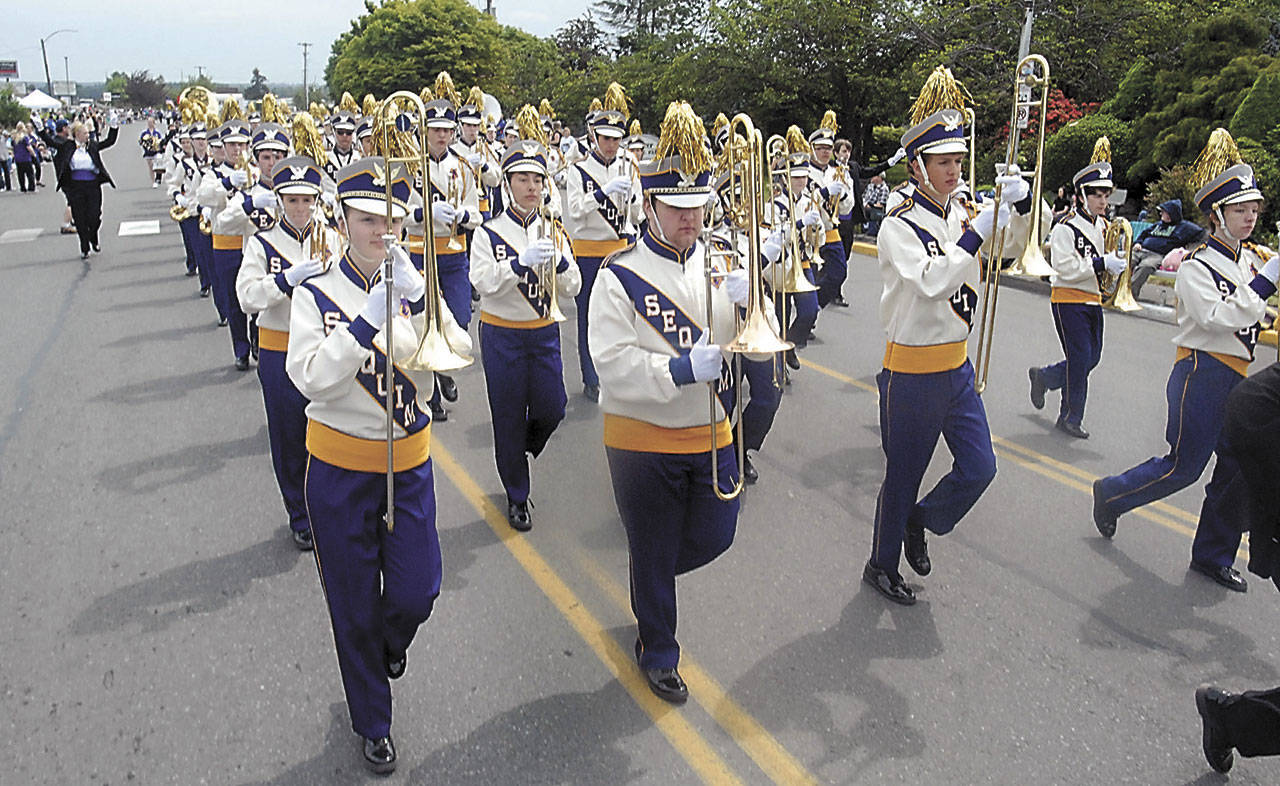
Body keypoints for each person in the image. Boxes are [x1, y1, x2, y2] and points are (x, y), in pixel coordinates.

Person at [286, 156, 470, 774]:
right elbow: (310, 378)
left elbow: (455, 353)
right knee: (353, 603)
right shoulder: (315, 294)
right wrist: (366, 320)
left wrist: (424, 305)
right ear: (344, 220)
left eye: (391, 221)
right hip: (339, 469)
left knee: (418, 590)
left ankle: (388, 646)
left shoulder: (418, 285)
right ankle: (373, 720)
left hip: (409, 464)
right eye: (367, 220)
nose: (381, 233)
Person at [587, 101, 755, 704]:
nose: (691, 219)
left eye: (697, 207)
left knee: (718, 533)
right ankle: (658, 647)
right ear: (651, 207)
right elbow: (611, 366)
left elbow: (748, 341)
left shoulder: (720, 262)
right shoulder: (618, 275)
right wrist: (680, 368)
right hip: (642, 439)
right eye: (678, 209)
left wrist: (750, 297)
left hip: (710, 431)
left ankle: (648, 580)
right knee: (655, 546)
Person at [1093, 130, 1279, 596]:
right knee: (1184, 466)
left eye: (1254, 210)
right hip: (1202, 371)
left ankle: (1212, 555)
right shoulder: (1198, 265)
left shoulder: (1249, 262)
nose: (1250, 218)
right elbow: (1216, 318)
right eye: (1239, 211)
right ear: (1217, 216)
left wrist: (1261, 293)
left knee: (1237, 468)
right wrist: (1261, 291)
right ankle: (1111, 495)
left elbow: (1256, 314)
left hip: (1237, 376)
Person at [865, 69, 1024, 605]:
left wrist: (1018, 208)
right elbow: (934, 281)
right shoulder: (898, 223)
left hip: (955, 368)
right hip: (910, 369)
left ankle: (922, 521)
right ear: (917, 167)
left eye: (958, 161)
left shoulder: (963, 212)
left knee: (981, 467)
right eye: (942, 163)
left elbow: (1007, 251)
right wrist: (977, 231)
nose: (954, 171)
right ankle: (881, 564)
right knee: (903, 475)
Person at [469, 140, 581, 530]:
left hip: (544, 332)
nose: (531, 186)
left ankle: (520, 450)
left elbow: (573, 287)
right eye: (522, 179)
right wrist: (518, 264)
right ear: (508, 184)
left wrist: (563, 260)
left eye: (537, 179)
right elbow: (481, 282)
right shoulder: (488, 233)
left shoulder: (554, 230)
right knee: (508, 416)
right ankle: (517, 494)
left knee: (554, 406)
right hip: (502, 334)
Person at [237, 156, 334, 550]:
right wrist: (285, 280)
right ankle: (299, 513)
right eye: (292, 200)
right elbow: (246, 296)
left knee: (328, 430)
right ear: (279, 201)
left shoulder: (332, 239)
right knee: (288, 435)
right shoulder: (262, 243)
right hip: (279, 346)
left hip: (325, 348)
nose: (300, 208)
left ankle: (328, 506)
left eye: (307, 200)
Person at [1027, 140, 1128, 438]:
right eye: (1096, 194)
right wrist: (1101, 263)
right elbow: (1065, 269)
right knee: (1081, 358)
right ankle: (1070, 417)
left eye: (1105, 195)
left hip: (1093, 300)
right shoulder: (1065, 228)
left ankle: (1044, 377)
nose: (1102, 201)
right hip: (1068, 300)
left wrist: (1115, 265)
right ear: (1080, 195)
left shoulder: (1103, 227)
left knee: (1090, 358)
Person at [401, 96, 482, 421]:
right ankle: (433, 392)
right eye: (435, 129)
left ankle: (445, 368)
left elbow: (476, 213)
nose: (442, 136)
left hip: (453, 254)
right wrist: (424, 212)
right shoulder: (409, 167)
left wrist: (463, 213)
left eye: (447, 130)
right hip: (421, 253)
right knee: (423, 325)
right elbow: (397, 212)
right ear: (424, 130)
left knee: (460, 318)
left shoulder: (461, 168)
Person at [564, 86, 642, 403]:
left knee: (626, 315)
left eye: (615, 139)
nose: (611, 145)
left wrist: (633, 197)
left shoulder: (629, 167)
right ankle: (590, 376)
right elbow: (575, 210)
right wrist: (603, 192)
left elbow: (637, 214)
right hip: (588, 253)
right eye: (605, 138)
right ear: (595, 136)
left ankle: (623, 372)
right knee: (588, 316)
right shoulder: (578, 171)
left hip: (621, 250)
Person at [197, 119, 255, 367]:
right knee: (233, 300)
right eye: (231, 145)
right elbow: (203, 196)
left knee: (258, 299)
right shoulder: (214, 174)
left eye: (241, 144)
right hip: (226, 244)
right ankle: (241, 349)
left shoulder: (257, 170)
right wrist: (227, 184)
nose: (236, 150)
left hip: (252, 243)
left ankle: (259, 345)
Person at [52, 119, 119, 259]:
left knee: (94, 216)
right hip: (76, 185)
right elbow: (50, 142)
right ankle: (84, 247)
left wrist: (114, 126)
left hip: (92, 185)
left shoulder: (92, 146)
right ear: (76, 134)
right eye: (84, 133)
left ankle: (93, 237)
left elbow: (109, 142)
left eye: (88, 133)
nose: (87, 136)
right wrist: (40, 130)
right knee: (80, 218)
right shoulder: (68, 146)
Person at [1129, 199, 1204, 298]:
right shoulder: (1157, 225)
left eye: (1163, 212)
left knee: (1145, 267)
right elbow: (1143, 234)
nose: (1161, 214)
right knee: (1127, 262)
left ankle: (1130, 295)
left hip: (1157, 255)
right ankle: (1115, 292)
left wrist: (1190, 250)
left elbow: (1202, 234)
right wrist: (1138, 243)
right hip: (1141, 250)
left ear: (1171, 214)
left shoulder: (1184, 227)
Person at [139, 117, 164, 187]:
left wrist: (159, 147)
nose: (150, 124)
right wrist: (146, 146)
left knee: (158, 163)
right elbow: (141, 141)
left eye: (151, 122)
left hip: (156, 151)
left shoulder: (157, 132)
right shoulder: (144, 132)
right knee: (151, 167)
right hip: (148, 152)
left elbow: (161, 141)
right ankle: (153, 181)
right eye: (148, 122)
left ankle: (158, 178)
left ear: (154, 123)